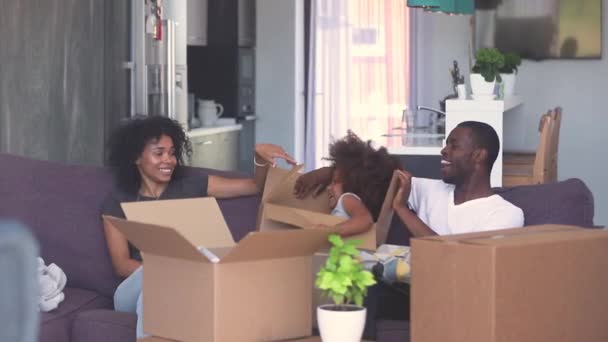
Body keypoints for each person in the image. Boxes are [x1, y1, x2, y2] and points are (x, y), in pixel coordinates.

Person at [101, 115, 295, 338]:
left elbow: (254, 186)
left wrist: (259, 159)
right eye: (158, 153)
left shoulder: (191, 185)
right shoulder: (118, 200)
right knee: (161, 277)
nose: (169, 160)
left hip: (184, 287)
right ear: (136, 157)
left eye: (172, 153)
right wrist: (171, 270)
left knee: (179, 272)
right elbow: (121, 264)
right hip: (131, 291)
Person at [295, 121, 524, 237]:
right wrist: (330, 172)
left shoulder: (506, 214)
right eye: (445, 144)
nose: (443, 151)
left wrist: (402, 209)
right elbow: (373, 175)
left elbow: (461, 257)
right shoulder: (429, 190)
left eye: (453, 146)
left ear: (478, 156)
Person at [312, 131, 401, 237]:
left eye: (335, 182)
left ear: (353, 185)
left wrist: (331, 231)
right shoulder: (343, 204)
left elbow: (365, 220)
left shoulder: (347, 198)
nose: (328, 187)